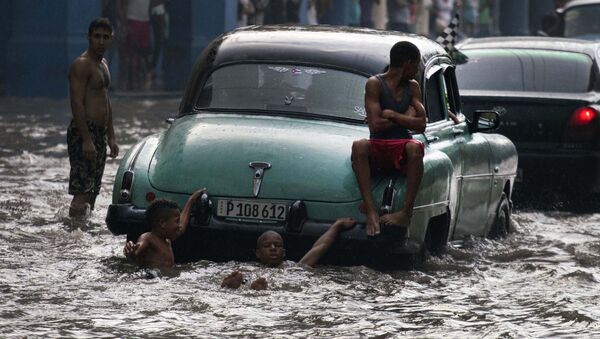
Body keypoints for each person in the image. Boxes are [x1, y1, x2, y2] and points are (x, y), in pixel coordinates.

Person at [351, 41, 426, 237]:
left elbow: (421, 124)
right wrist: (406, 117)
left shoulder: (413, 86)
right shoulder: (375, 83)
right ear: (408, 63)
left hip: (402, 145)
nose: (416, 70)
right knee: (359, 146)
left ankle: (406, 213)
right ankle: (371, 211)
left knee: (415, 148)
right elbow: (375, 125)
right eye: (416, 65)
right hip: (378, 143)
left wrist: (393, 115)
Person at [67, 18, 119, 217]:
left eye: (106, 37)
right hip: (83, 132)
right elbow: (76, 103)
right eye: (97, 36)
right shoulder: (81, 65)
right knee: (82, 190)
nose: (101, 41)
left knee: (94, 189)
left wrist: (111, 136)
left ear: (111, 39)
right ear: (88, 37)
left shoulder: (103, 63)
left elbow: (106, 101)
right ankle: (72, 237)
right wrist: (86, 139)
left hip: (99, 133)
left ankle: (85, 234)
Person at [221, 218, 356, 290]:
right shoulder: (248, 269)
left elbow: (319, 247)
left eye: (278, 245)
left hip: (281, 288)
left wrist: (336, 225)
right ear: (258, 253)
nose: (273, 248)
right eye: (267, 246)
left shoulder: (295, 267)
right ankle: (232, 287)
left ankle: (256, 291)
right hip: (256, 283)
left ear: (284, 252)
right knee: (240, 279)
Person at [123, 189, 206, 269]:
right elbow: (137, 249)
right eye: (176, 221)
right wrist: (131, 251)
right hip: (152, 278)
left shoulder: (167, 240)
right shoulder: (148, 238)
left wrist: (191, 201)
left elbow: (182, 227)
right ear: (163, 223)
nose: (179, 226)